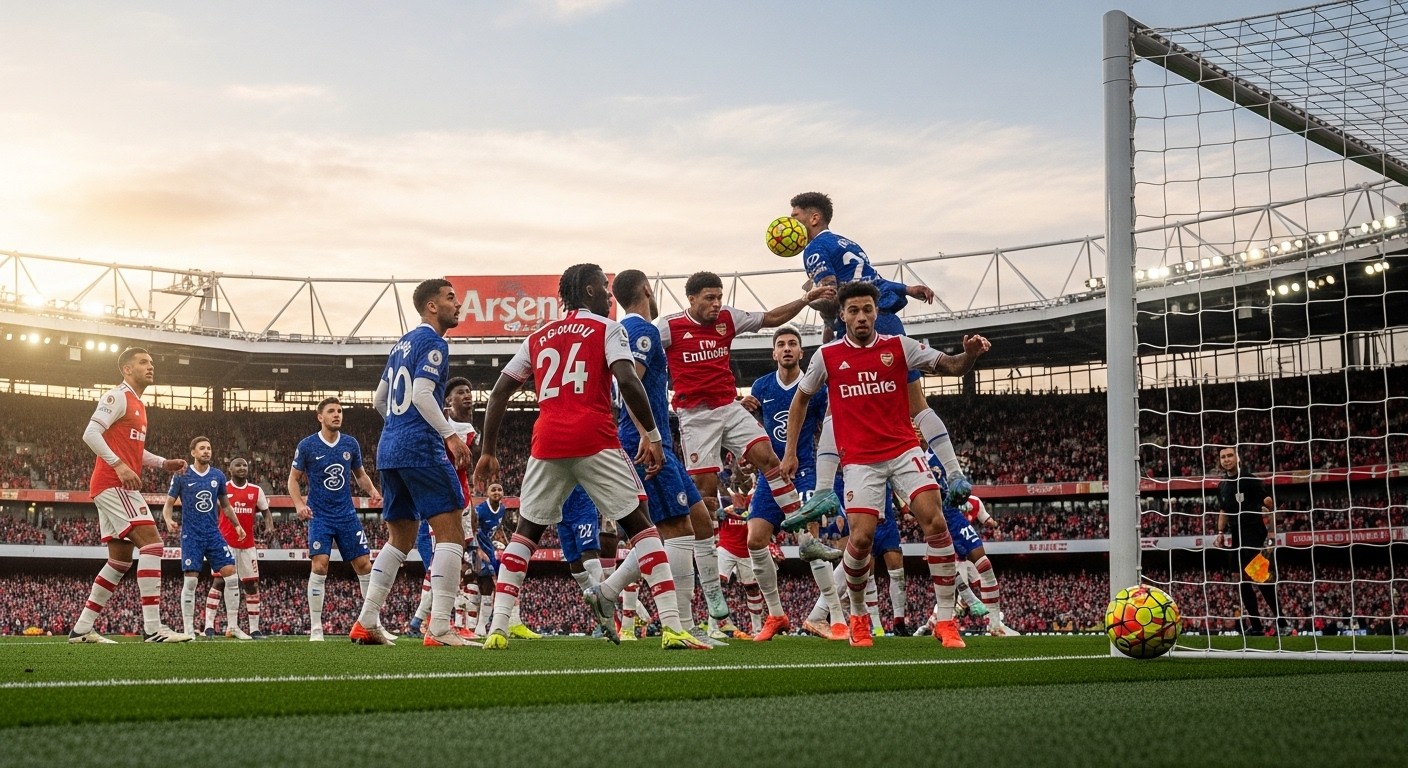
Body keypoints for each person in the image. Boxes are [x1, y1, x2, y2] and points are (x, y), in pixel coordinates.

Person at [474, 262, 707, 650]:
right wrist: (651, 434)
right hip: (595, 439)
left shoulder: (538, 336)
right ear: (588, 291)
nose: (610, 295)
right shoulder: (606, 329)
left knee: (525, 534)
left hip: (547, 442)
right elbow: (628, 378)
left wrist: (489, 451)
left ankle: (497, 629)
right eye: (604, 287)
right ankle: (672, 626)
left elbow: (499, 392)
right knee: (642, 527)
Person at [780, 281, 990, 649]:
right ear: (842, 315)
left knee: (936, 522)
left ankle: (946, 621)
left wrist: (969, 355)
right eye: (854, 311)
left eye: (867, 310)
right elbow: (800, 400)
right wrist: (790, 452)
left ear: (877, 312)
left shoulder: (899, 347)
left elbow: (953, 366)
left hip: (904, 451)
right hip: (860, 461)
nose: (861, 317)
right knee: (860, 540)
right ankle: (859, 617)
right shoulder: (827, 356)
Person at [656, 270, 834, 640]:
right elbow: (639, 352)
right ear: (691, 299)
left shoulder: (728, 319)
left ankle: (803, 539)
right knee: (703, 496)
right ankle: (712, 599)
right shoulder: (668, 327)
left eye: (718, 296)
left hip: (729, 406)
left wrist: (804, 300)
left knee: (768, 457)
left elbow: (769, 318)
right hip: (695, 417)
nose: (716, 303)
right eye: (708, 297)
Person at [784, 191, 971, 530]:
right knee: (918, 405)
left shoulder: (814, 249)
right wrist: (906, 289)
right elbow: (871, 280)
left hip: (860, 329)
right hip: (886, 322)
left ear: (813, 218)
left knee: (833, 410)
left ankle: (824, 492)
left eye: (795, 216)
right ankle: (956, 475)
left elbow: (830, 294)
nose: (790, 223)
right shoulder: (848, 243)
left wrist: (815, 305)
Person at [608, 269, 743, 647]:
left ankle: (606, 592)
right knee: (678, 530)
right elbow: (629, 383)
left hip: (659, 440)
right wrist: (649, 436)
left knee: (700, 520)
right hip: (648, 442)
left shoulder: (624, 331)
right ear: (648, 292)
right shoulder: (643, 330)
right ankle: (681, 625)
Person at [355, 278, 473, 647]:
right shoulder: (434, 341)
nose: (459, 304)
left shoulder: (401, 344)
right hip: (420, 448)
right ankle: (439, 627)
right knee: (452, 532)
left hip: (389, 447)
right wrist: (449, 435)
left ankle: (367, 619)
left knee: (400, 538)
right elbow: (422, 393)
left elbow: (379, 399)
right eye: (451, 298)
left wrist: (398, 426)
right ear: (432, 306)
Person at [68, 347, 191, 643]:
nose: (151, 367)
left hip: (111, 484)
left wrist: (163, 463)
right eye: (143, 362)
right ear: (126, 369)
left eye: (152, 362)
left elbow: (135, 450)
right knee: (152, 545)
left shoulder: (138, 404)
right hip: (114, 483)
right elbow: (91, 433)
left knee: (120, 561)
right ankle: (152, 629)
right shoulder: (117, 396)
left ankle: (82, 629)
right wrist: (119, 465)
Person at [739, 325, 846, 640]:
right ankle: (776, 616)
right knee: (755, 540)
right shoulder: (760, 386)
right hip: (770, 475)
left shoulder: (815, 386)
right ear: (774, 353)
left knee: (808, 544)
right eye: (781, 344)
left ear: (801, 352)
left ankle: (836, 618)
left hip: (804, 471)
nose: (787, 348)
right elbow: (749, 426)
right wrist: (742, 410)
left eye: (793, 344)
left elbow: (829, 423)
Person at [288, 397, 382, 642]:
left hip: (347, 515)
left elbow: (360, 475)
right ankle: (316, 628)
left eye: (339, 411)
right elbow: (293, 479)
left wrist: (371, 491)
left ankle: (373, 623)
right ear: (320, 417)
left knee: (364, 566)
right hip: (320, 515)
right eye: (331, 411)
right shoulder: (307, 445)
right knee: (319, 565)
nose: (337, 415)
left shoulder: (350, 443)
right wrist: (299, 504)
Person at [408, 376, 478, 640]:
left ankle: (450, 623)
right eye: (461, 392)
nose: (467, 395)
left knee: (462, 565)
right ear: (448, 400)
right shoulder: (441, 425)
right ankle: (431, 621)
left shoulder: (471, 428)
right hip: (441, 499)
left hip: (463, 499)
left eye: (469, 391)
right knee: (444, 562)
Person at [162, 436, 245, 640]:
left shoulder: (217, 475)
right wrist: (167, 519)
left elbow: (225, 505)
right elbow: (169, 504)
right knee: (190, 583)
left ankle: (233, 627)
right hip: (192, 536)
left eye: (209, 448)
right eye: (202, 448)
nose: (206, 451)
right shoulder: (182, 474)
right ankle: (189, 630)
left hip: (213, 534)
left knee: (232, 577)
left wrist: (237, 525)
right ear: (193, 453)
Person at [1216, 446, 1289, 637]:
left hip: (1255, 534)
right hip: (1236, 537)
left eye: (1230, 455)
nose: (1226, 459)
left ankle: (1282, 623)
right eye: (1223, 457)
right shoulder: (1222, 486)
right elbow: (1223, 510)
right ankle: (1256, 626)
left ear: (1237, 458)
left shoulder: (1249, 480)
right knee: (1240, 581)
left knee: (1262, 580)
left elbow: (1269, 502)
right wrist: (1220, 532)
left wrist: (1272, 530)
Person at [204, 457, 273, 639]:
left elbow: (266, 511)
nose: (242, 468)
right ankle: (208, 626)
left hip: (247, 546)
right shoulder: (222, 489)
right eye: (238, 465)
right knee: (219, 582)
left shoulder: (256, 491)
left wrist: (269, 526)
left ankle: (254, 629)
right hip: (224, 544)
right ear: (230, 468)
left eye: (245, 465)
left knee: (251, 584)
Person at [469, 483, 509, 636]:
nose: (497, 492)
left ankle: (481, 626)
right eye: (493, 490)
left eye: (499, 489)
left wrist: (501, 543)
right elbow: (472, 528)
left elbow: (495, 530)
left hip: (489, 550)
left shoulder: (503, 509)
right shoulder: (480, 510)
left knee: (488, 587)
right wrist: (477, 549)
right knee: (477, 582)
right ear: (487, 493)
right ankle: (470, 625)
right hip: (476, 550)